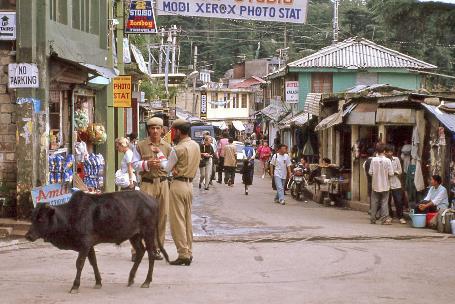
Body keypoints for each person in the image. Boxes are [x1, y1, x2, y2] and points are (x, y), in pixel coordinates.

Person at [158, 119, 201, 266]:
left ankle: (183, 254)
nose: (171, 134)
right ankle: (188, 251)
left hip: (178, 185)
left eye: (173, 131)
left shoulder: (178, 149)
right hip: (190, 185)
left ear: (178, 131)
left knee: (177, 221)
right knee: (187, 220)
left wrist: (160, 156)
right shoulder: (195, 145)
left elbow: (166, 167)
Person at [132, 117, 171, 261]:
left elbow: (171, 167)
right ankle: (137, 249)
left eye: (158, 128)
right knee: (142, 217)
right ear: (148, 129)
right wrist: (147, 164)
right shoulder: (140, 146)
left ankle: (155, 249)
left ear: (162, 130)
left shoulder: (167, 147)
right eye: (152, 128)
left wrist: (161, 165)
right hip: (147, 184)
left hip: (163, 184)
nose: (155, 131)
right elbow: (134, 164)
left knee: (162, 217)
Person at [369, 144, 394, 225]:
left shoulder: (373, 160)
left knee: (374, 202)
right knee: (384, 202)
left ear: (377, 151)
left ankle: (373, 219)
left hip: (375, 184)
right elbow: (391, 173)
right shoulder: (388, 161)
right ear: (384, 151)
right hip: (385, 185)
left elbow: (370, 172)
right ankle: (384, 219)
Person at [385, 145, 406, 224]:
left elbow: (400, 170)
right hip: (386, 184)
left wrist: (394, 172)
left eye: (391, 152)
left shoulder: (396, 159)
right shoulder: (384, 160)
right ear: (385, 152)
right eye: (388, 152)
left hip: (396, 183)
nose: (390, 153)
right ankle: (389, 216)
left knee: (398, 201)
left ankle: (400, 217)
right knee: (387, 201)